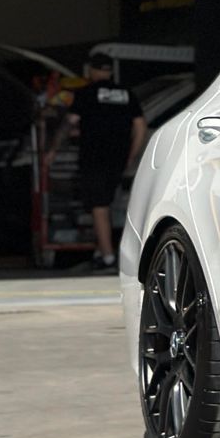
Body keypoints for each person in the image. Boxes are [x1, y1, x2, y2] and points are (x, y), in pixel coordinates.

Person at [45, 52, 147, 273]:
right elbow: (140, 126)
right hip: (117, 158)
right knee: (108, 204)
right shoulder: (127, 94)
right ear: (110, 71)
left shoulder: (86, 93)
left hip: (94, 157)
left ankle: (109, 258)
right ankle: (103, 251)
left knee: (98, 206)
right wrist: (131, 154)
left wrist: (53, 150)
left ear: (91, 70)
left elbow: (69, 123)